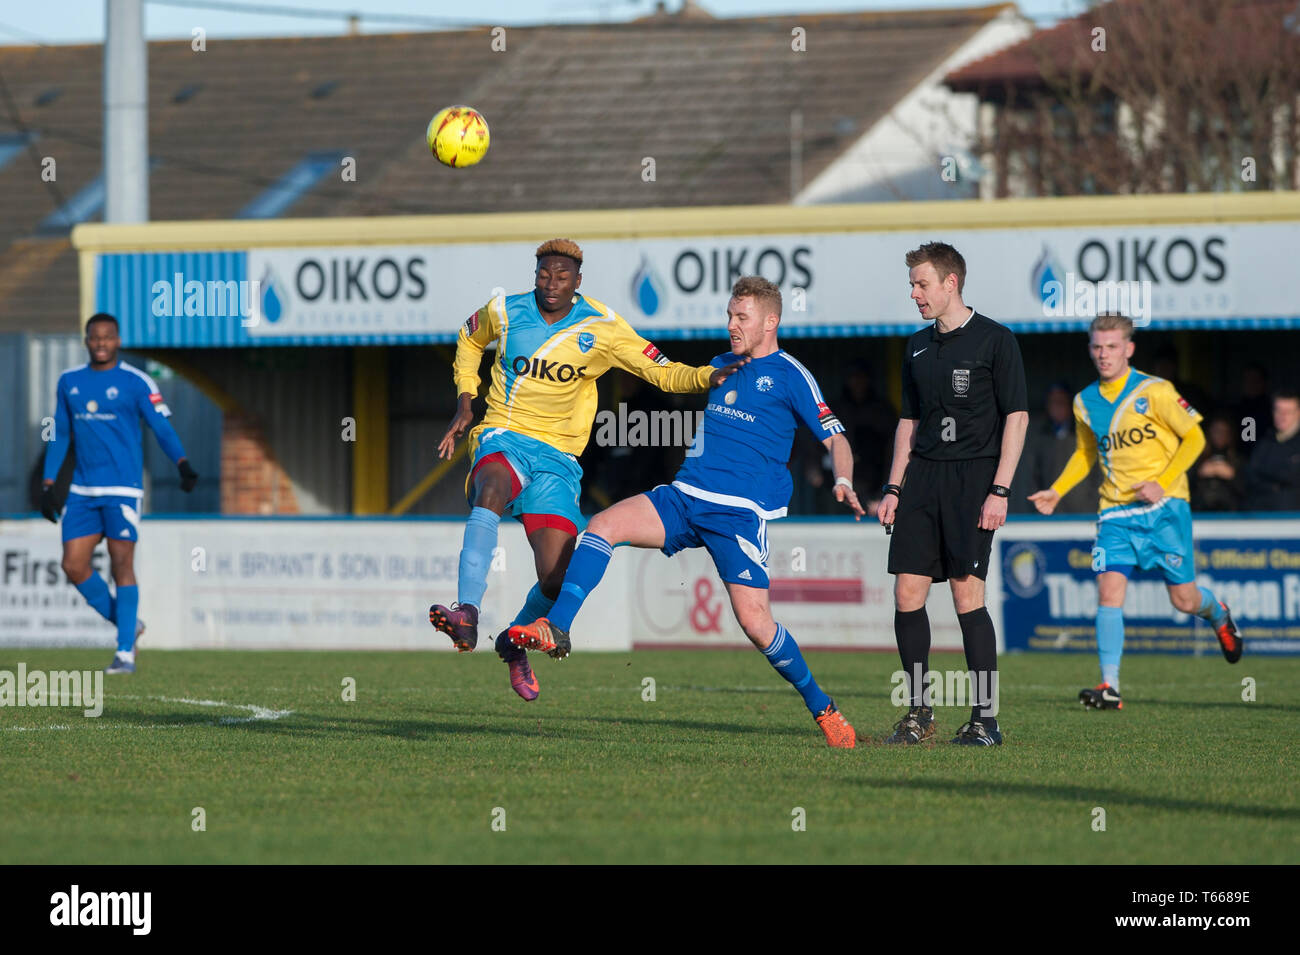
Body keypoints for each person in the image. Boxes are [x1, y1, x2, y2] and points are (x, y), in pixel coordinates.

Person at [508, 276, 865, 748]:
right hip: (684, 497)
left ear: (770, 322)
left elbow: (835, 437)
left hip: (737, 515)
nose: (732, 325)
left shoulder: (791, 374)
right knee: (602, 526)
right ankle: (558, 627)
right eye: (730, 315)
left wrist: (842, 479)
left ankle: (824, 708)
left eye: (742, 318)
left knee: (757, 625)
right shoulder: (719, 364)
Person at [430, 238, 743, 701]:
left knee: (557, 578)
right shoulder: (505, 309)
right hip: (504, 435)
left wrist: (704, 376)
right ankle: (467, 614)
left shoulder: (602, 327)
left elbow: (660, 370)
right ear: (534, 274)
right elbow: (469, 337)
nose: (550, 284)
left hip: (558, 461)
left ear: (578, 281)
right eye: (543, 275)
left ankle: (513, 641)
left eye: (561, 277)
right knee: (490, 487)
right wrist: (465, 399)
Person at [1029, 313, 1242, 712]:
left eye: (1111, 347)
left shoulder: (1156, 391)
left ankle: (1218, 613)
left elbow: (1195, 438)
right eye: (1096, 346)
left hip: (1165, 508)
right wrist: (1056, 491)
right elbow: (1086, 453)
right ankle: (1110, 686)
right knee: (1109, 594)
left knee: (1184, 600)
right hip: (1115, 512)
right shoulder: (1084, 401)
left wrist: (1163, 480)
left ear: (1129, 349)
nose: (1103, 354)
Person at [877, 242, 1028, 746]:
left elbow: (1016, 417)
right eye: (912, 285)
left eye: (922, 284)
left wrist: (1000, 489)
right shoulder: (916, 346)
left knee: (967, 595)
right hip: (922, 479)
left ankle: (986, 719)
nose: (914, 294)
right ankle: (919, 713)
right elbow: (909, 420)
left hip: (974, 481)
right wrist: (894, 486)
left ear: (951, 283)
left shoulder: (996, 341)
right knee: (906, 593)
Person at [40, 313, 199, 674]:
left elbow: (161, 426)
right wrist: (49, 484)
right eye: (94, 337)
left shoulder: (136, 382)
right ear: (86, 341)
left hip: (123, 489)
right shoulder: (69, 382)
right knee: (73, 564)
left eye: (107, 337)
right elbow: (60, 433)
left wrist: (182, 463)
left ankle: (124, 651)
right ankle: (130, 625)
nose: (100, 343)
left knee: (121, 562)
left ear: (118, 341)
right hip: (81, 490)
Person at [1012, 383, 1101, 515]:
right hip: (1050, 513)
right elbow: (1032, 477)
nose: (1057, 406)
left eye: (1061, 401)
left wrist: (1091, 506)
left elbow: (1098, 474)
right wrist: (1038, 506)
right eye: (1052, 402)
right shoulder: (1040, 438)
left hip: (1084, 514)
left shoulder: (1085, 435)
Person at [1244, 390, 1300, 511]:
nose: (1282, 416)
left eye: (1288, 412)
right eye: (1278, 410)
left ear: (1298, 413)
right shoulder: (1263, 442)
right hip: (1261, 516)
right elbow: (1250, 477)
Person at [1191, 415, 1244, 512]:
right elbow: (1185, 487)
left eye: (1224, 432)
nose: (1220, 435)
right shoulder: (1197, 458)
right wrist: (1199, 473)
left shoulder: (1238, 460)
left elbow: (1249, 490)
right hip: (1200, 513)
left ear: (1230, 435)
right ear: (1209, 432)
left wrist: (1232, 476)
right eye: (1216, 431)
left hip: (1231, 515)